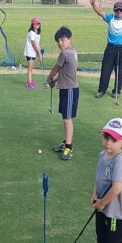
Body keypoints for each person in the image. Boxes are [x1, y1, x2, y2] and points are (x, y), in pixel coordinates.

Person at [47, 26, 79, 161]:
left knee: (67, 119)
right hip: (66, 89)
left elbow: (56, 68)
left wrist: (49, 78)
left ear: (69, 39)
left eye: (62, 40)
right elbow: (65, 72)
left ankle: (69, 147)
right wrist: (55, 80)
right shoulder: (72, 51)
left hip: (70, 90)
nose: (60, 43)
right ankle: (66, 142)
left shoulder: (65, 53)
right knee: (65, 117)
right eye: (58, 41)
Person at [24, 16, 43, 89]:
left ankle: (30, 80)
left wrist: (39, 53)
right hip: (30, 52)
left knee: (31, 67)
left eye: (38, 24)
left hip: (34, 52)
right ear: (32, 24)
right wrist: (38, 53)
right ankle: (29, 83)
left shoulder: (38, 33)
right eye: (35, 24)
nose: (37, 25)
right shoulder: (31, 32)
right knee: (30, 67)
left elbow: (38, 44)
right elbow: (33, 43)